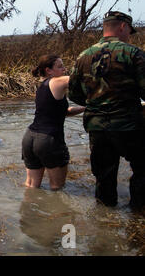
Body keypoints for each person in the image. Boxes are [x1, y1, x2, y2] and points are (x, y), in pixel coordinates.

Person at [68, 11, 144, 209]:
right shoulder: (133, 54)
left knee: (103, 176)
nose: (129, 34)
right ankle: (137, 215)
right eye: (129, 30)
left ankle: (104, 221)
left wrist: (96, 101)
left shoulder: (83, 56)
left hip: (97, 127)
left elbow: (75, 94)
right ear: (122, 27)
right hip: (129, 126)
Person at [22, 54, 85, 190]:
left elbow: (64, 112)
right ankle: (57, 212)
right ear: (48, 70)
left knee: (31, 186)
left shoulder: (42, 87)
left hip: (30, 138)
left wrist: (85, 108)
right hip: (48, 139)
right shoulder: (57, 81)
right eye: (60, 66)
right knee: (57, 188)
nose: (64, 69)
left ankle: (28, 209)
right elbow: (79, 79)